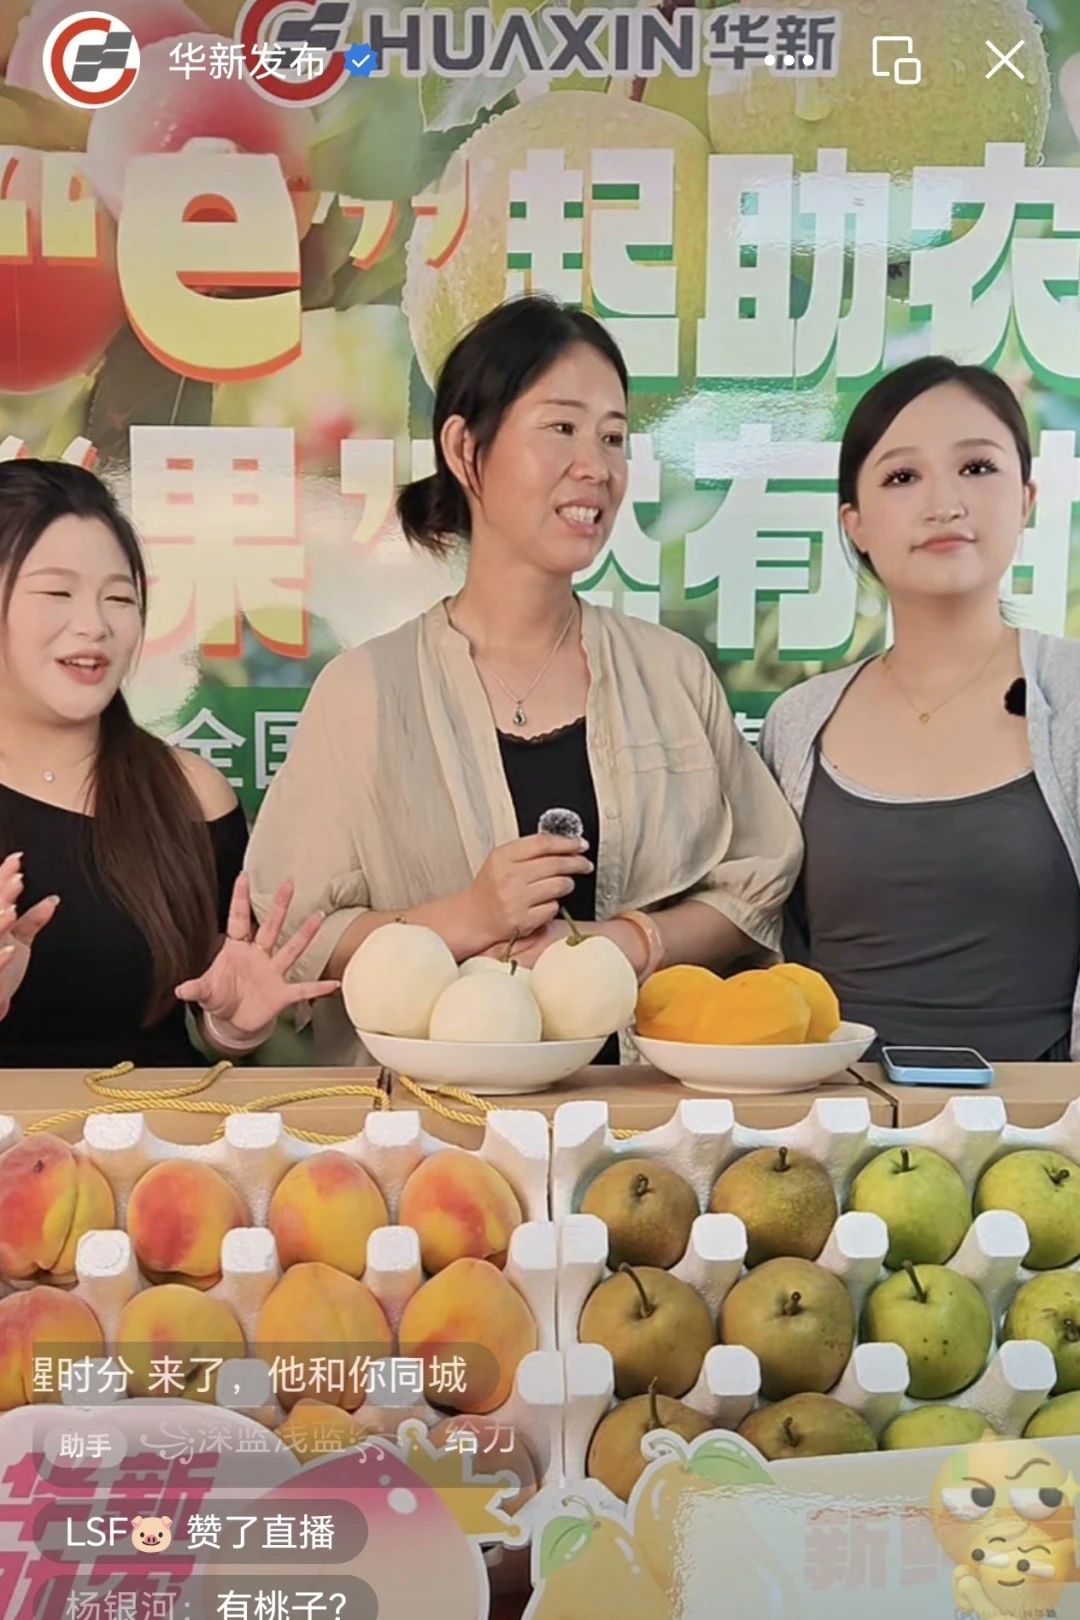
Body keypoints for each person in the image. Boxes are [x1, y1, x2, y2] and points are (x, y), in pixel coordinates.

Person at [245, 294, 803, 1065]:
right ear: (465, 448)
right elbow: (300, 936)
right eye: (562, 428)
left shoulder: (671, 672)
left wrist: (629, 943)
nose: (596, 467)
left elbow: (756, 883)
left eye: (613, 437)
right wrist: (468, 916)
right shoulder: (363, 692)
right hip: (435, 1117)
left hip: (642, 1116)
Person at [761, 356, 1080, 1062]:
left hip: (1049, 1123)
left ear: (1026, 500)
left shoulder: (1070, 692)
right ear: (855, 523)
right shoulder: (797, 723)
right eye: (903, 477)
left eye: (977, 468)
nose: (945, 503)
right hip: (830, 1120)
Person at [0, 459, 338, 1069]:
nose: (94, 625)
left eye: (118, 598)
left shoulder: (190, 795)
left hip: (162, 1128)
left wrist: (233, 1028)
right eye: (56, 593)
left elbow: (210, 1007)